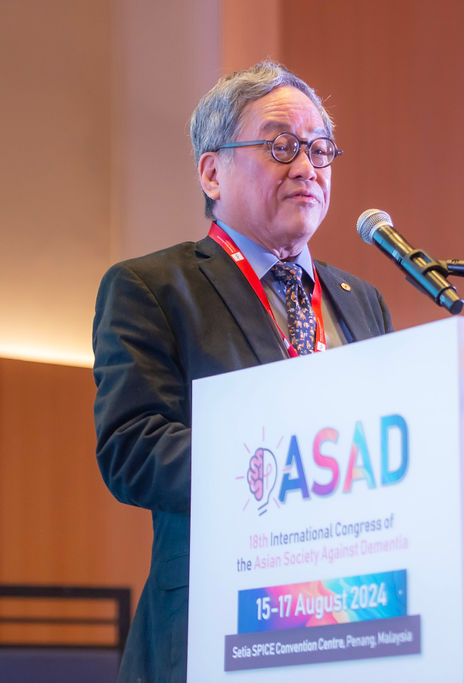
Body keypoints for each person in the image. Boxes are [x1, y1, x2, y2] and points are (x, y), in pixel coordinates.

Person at [92, 60, 392, 682]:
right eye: (281, 146)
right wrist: (290, 469)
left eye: (319, 149)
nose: (306, 167)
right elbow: (133, 449)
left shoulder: (362, 300)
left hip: (359, 610)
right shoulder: (153, 288)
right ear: (212, 171)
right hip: (227, 617)